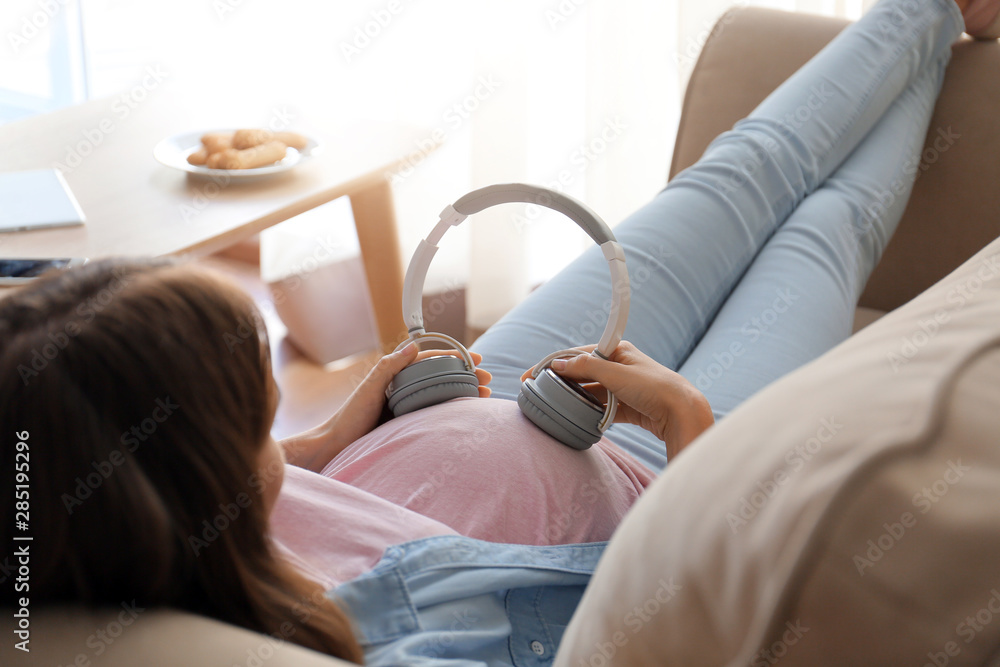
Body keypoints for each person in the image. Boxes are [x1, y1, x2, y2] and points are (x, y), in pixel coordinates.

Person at [1, 0, 997, 664]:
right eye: (256, 416)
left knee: (739, 174)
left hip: (513, 379)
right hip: (672, 471)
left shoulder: (128, 525)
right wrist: (691, 427)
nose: (275, 429)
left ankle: (931, 8)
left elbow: (246, 481)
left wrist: (330, 434)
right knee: (824, 229)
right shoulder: (375, 642)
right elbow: (676, 608)